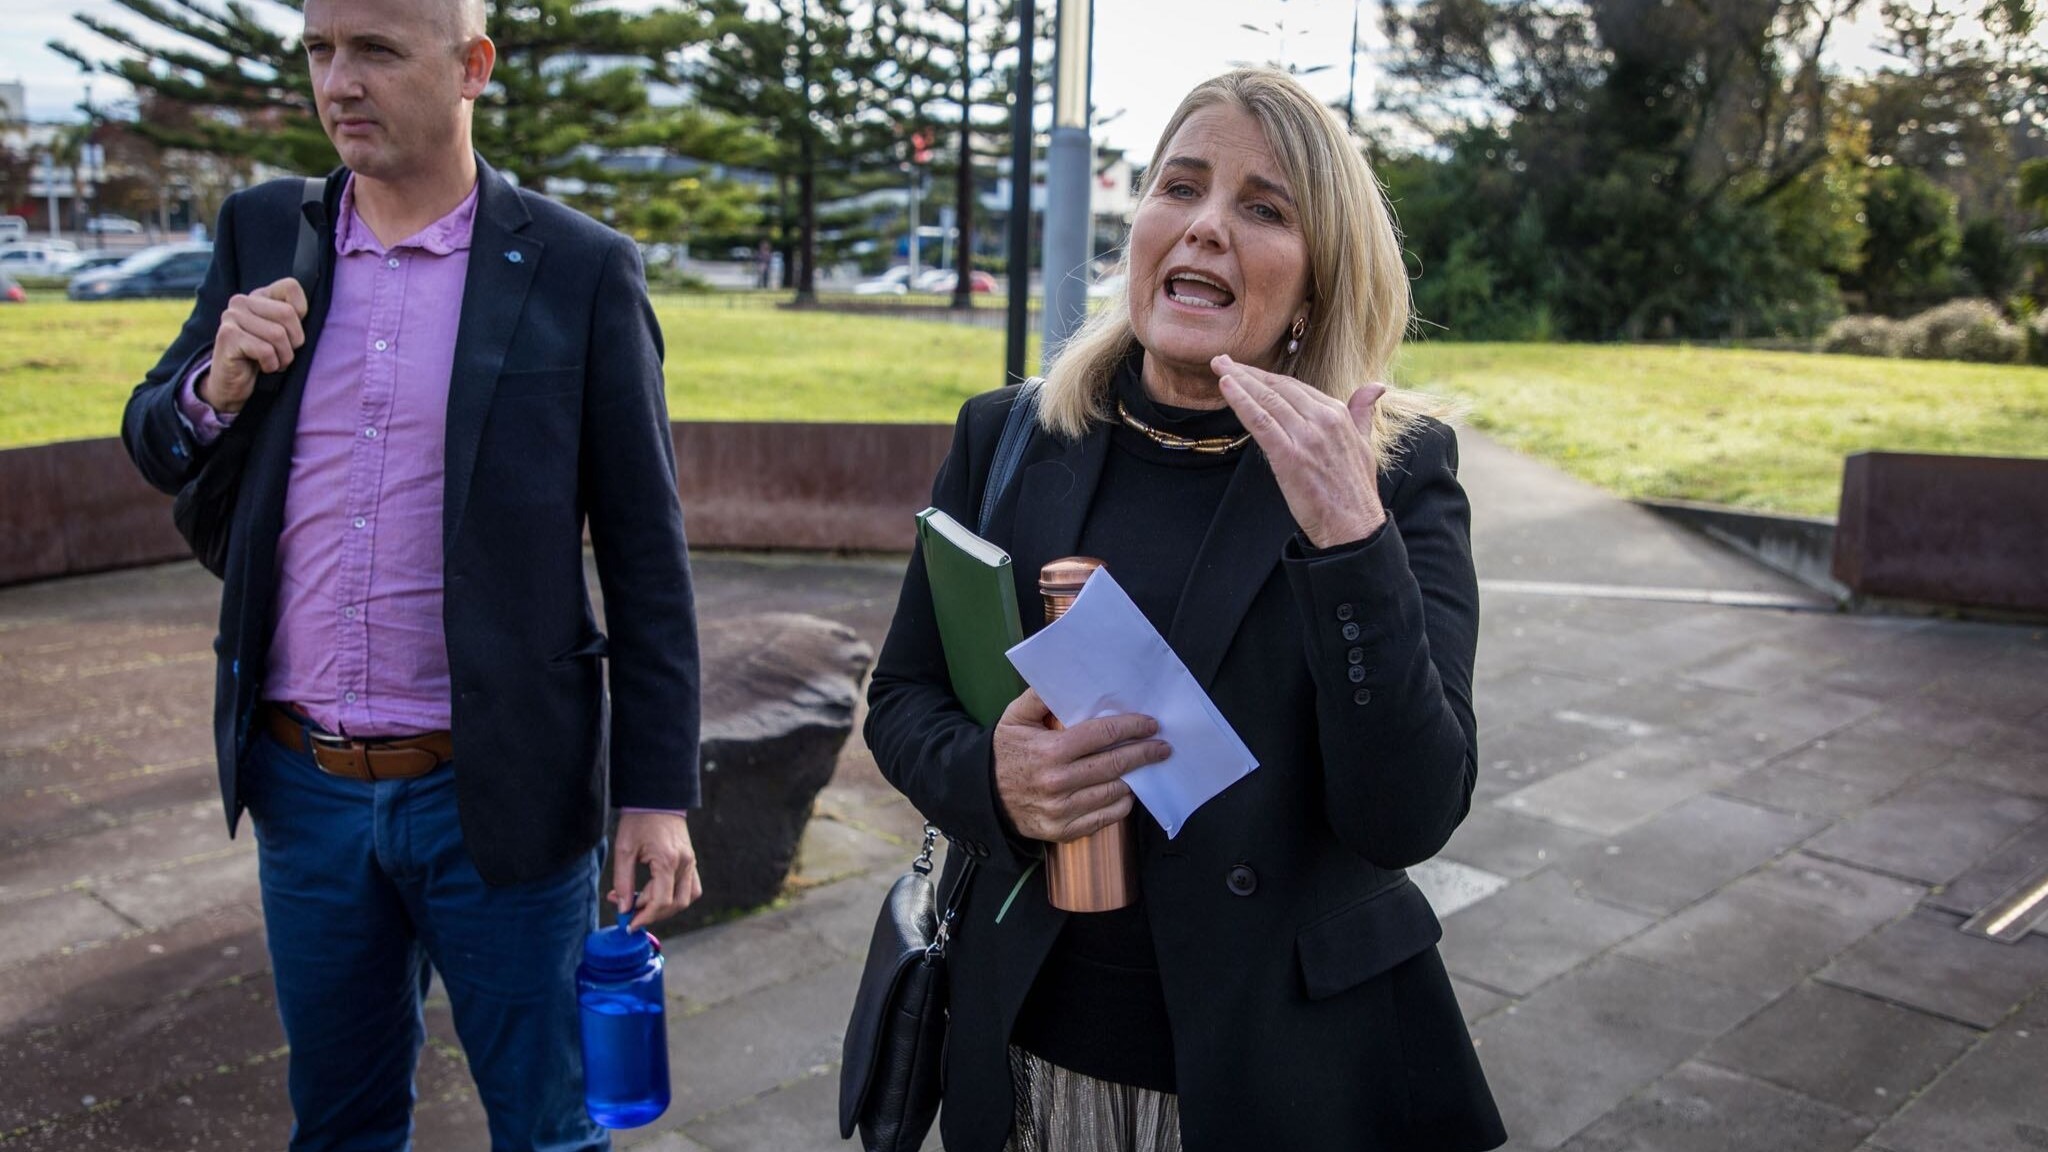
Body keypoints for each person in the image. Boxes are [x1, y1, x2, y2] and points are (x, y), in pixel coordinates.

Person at [863, 69, 1506, 1151]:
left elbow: (1407, 814)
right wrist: (994, 780)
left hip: (1278, 1068)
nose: (1205, 225)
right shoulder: (1010, 438)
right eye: (1180, 186)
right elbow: (901, 698)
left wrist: (1350, 541)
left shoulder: (1391, 475)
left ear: (1314, 281)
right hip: (1031, 1045)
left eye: (1262, 208)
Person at [118, 1, 703, 1147]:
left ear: (472, 65)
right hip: (303, 785)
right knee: (337, 1125)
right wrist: (216, 383)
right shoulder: (259, 231)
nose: (339, 81)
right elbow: (155, 437)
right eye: (319, 51)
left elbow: (646, 556)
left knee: (546, 1125)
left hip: (497, 791)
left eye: (376, 50)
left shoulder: (580, 270)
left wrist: (655, 793)